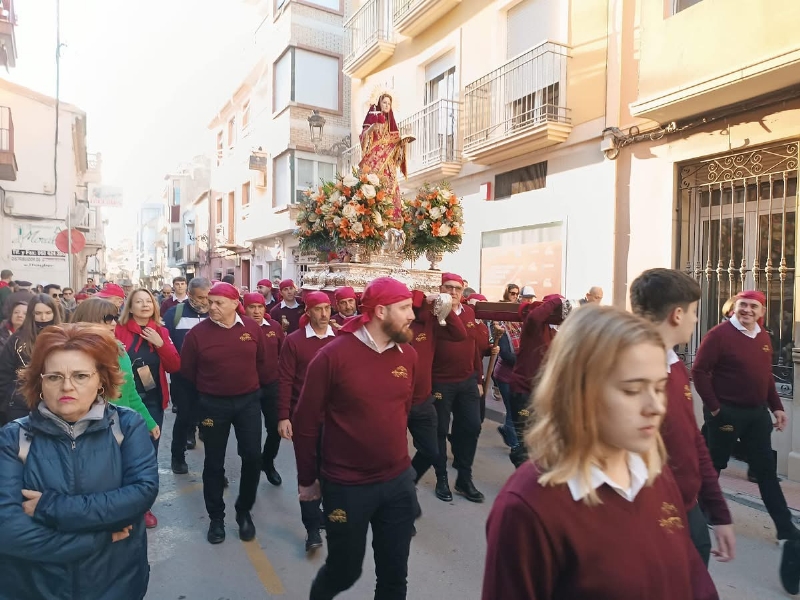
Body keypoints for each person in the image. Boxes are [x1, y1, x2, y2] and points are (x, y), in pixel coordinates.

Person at [482, 306, 718, 600]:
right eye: (632, 390)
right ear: (579, 391)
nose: (656, 407)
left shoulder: (656, 474)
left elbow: (693, 580)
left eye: (659, 388)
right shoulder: (528, 508)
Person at [0, 323, 159, 600]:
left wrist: (51, 507)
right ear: (40, 382)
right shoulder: (14, 438)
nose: (66, 386)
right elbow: (8, 530)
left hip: (116, 583)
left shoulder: (126, 426)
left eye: (81, 375)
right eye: (54, 377)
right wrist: (99, 538)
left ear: (101, 380)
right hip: (35, 588)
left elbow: (140, 495)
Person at [293, 277, 418, 599]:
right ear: (380, 311)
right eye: (404, 308)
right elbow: (305, 423)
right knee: (345, 571)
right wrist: (308, 481)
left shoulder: (408, 356)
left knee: (395, 575)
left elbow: (402, 409)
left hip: (398, 482)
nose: (412, 316)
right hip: (347, 486)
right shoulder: (332, 356)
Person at [630, 268, 734, 566]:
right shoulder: (626, 376)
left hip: (688, 510)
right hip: (650, 518)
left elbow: (693, 442)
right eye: (694, 312)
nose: (696, 319)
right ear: (677, 314)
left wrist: (719, 512)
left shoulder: (675, 367)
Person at [692, 290, 800, 541]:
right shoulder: (718, 335)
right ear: (733, 307)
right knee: (713, 465)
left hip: (757, 415)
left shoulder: (763, 336)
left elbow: (766, 378)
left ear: (762, 312)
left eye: (754, 306)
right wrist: (715, 408)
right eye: (743, 305)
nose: (748, 310)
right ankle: (702, 511)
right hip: (726, 414)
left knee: (766, 473)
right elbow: (699, 371)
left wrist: (777, 407)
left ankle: (785, 527)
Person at [180, 282, 270, 544]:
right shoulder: (197, 335)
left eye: (219, 302)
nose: (212, 307)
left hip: (248, 403)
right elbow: (187, 373)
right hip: (212, 406)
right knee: (214, 462)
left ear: (234, 303)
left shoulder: (252, 330)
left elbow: (263, 364)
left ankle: (244, 512)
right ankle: (216, 519)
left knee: (253, 457)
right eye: (210, 302)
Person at [475, 292, 571, 467]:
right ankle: (522, 473)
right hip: (523, 391)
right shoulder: (534, 326)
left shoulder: (554, 330)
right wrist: (555, 301)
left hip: (542, 392)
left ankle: (531, 470)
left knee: (540, 438)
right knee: (525, 442)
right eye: (557, 309)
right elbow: (534, 317)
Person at [115, 289, 180, 529]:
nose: (144, 305)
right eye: (138, 302)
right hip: (122, 401)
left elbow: (175, 365)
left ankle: (144, 506)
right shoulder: (118, 331)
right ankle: (121, 502)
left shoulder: (161, 331)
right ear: (129, 308)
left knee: (147, 455)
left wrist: (161, 344)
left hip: (152, 401)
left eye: (148, 302)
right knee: (120, 453)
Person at [277, 291, 337, 552]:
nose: (324, 314)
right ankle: (312, 528)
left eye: (327, 308)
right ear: (308, 312)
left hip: (337, 420)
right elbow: (285, 380)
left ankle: (333, 516)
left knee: (335, 471)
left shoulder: (343, 338)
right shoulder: (294, 341)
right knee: (308, 474)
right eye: (318, 309)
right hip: (305, 419)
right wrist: (283, 416)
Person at [430, 273, 487, 502]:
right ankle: (442, 478)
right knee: (440, 431)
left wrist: (479, 379)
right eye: (448, 288)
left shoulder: (470, 313)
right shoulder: (433, 314)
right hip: (441, 382)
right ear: (441, 289)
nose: (453, 292)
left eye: (457, 289)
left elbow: (474, 347)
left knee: (472, 427)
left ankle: (464, 478)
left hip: (467, 382)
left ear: (463, 292)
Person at [71, 297, 161, 440]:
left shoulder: (119, 349)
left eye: (115, 317)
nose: (114, 323)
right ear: (91, 319)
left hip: (120, 426)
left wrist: (148, 421)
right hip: (88, 431)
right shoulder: (73, 354)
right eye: (108, 318)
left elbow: (130, 392)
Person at [407, 289, 467, 502]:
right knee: (391, 458)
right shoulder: (393, 325)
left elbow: (460, 334)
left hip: (423, 401)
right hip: (396, 403)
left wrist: (445, 308)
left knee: (431, 451)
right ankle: (399, 504)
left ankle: (407, 484)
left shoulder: (431, 322)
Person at [163, 277, 211, 474]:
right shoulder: (175, 314)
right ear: (189, 295)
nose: (205, 302)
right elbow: (166, 342)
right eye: (201, 297)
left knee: (210, 422)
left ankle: (215, 468)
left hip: (209, 379)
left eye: (209, 297)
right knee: (184, 418)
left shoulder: (215, 313)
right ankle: (178, 457)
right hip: (183, 379)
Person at [0, 293, 62, 425]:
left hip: (57, 401)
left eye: (47, 312)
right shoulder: (17, 340)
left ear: (54, 313)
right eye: (38, 313)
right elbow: (4, 373)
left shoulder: (63, 336)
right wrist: (12, 397)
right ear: (31, 314)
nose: (43, 317)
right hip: (22, 403)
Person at [243, 292, 284, 487]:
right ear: (244, 308)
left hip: (271, 385)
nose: (257, 311)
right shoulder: (238, 329)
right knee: (251, 435)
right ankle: (250, 468)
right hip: (247, 389)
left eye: (260, 307)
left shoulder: (274, 327)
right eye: (252, 307)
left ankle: (267, 461)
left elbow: (284, 355)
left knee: (276, 428)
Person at [358, 93, 413, 213]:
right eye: (384, 102)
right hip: (374, 163)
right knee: (374, 189)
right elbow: (364, 137)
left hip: (389, 166)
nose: (387, 105)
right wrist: (372, 127)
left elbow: (396, 151)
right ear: (379, 103)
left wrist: (403, 144)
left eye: (389, 103)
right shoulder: (372, 118)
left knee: (390, 192)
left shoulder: (392, 126)